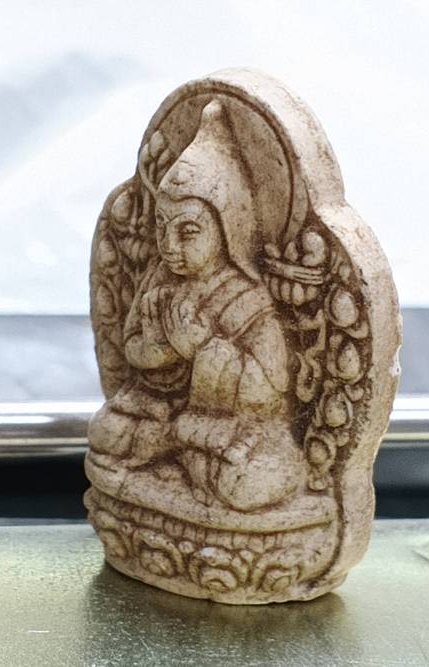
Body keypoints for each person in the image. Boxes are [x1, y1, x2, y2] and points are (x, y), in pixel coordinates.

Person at [89, 100, 303, 512]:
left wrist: (203, 348)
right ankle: (176, 455)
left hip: (228, 427)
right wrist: (158, 352)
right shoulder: (159, 281)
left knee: (253, 479)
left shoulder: (250, 300)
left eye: (188, 232)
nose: (170, 246)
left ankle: (178, 461)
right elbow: (133, 348)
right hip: (162, 414)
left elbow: (269, 391)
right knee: (106, 432)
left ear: (228, 230)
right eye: (162, 228)